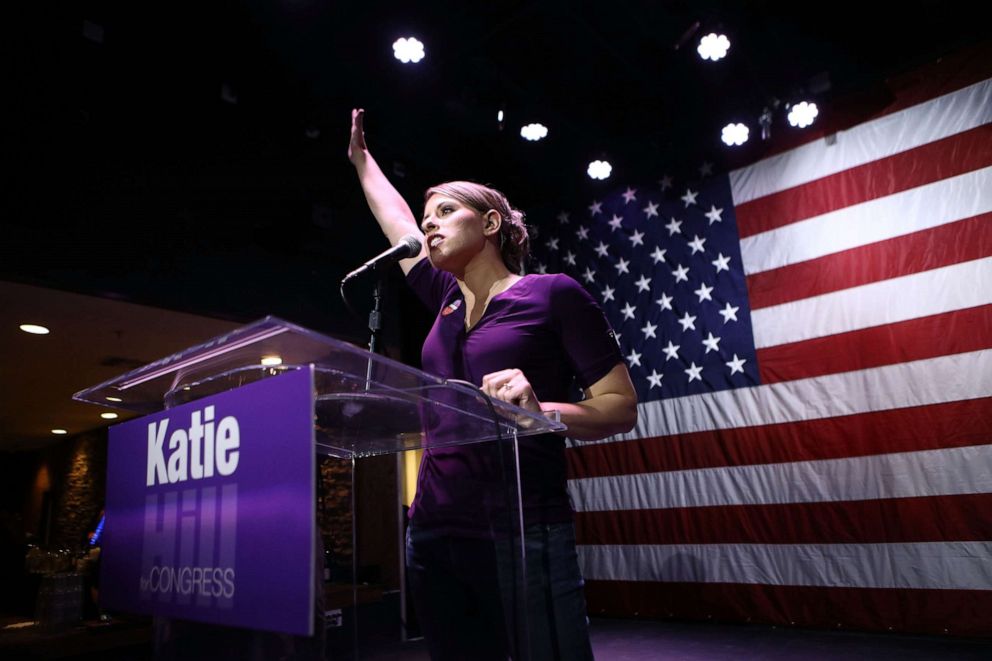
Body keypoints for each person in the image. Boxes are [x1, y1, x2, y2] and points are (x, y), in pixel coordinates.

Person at [348, 108, 637, 660]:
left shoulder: (552, 295)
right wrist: (362, 162)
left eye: (447, 212)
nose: (430, 225)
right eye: (428, 216)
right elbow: (398, 221)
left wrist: (539, 410)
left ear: (490, 224)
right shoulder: (445, 299)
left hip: (521, 528)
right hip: (433, 528)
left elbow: (621, 407)